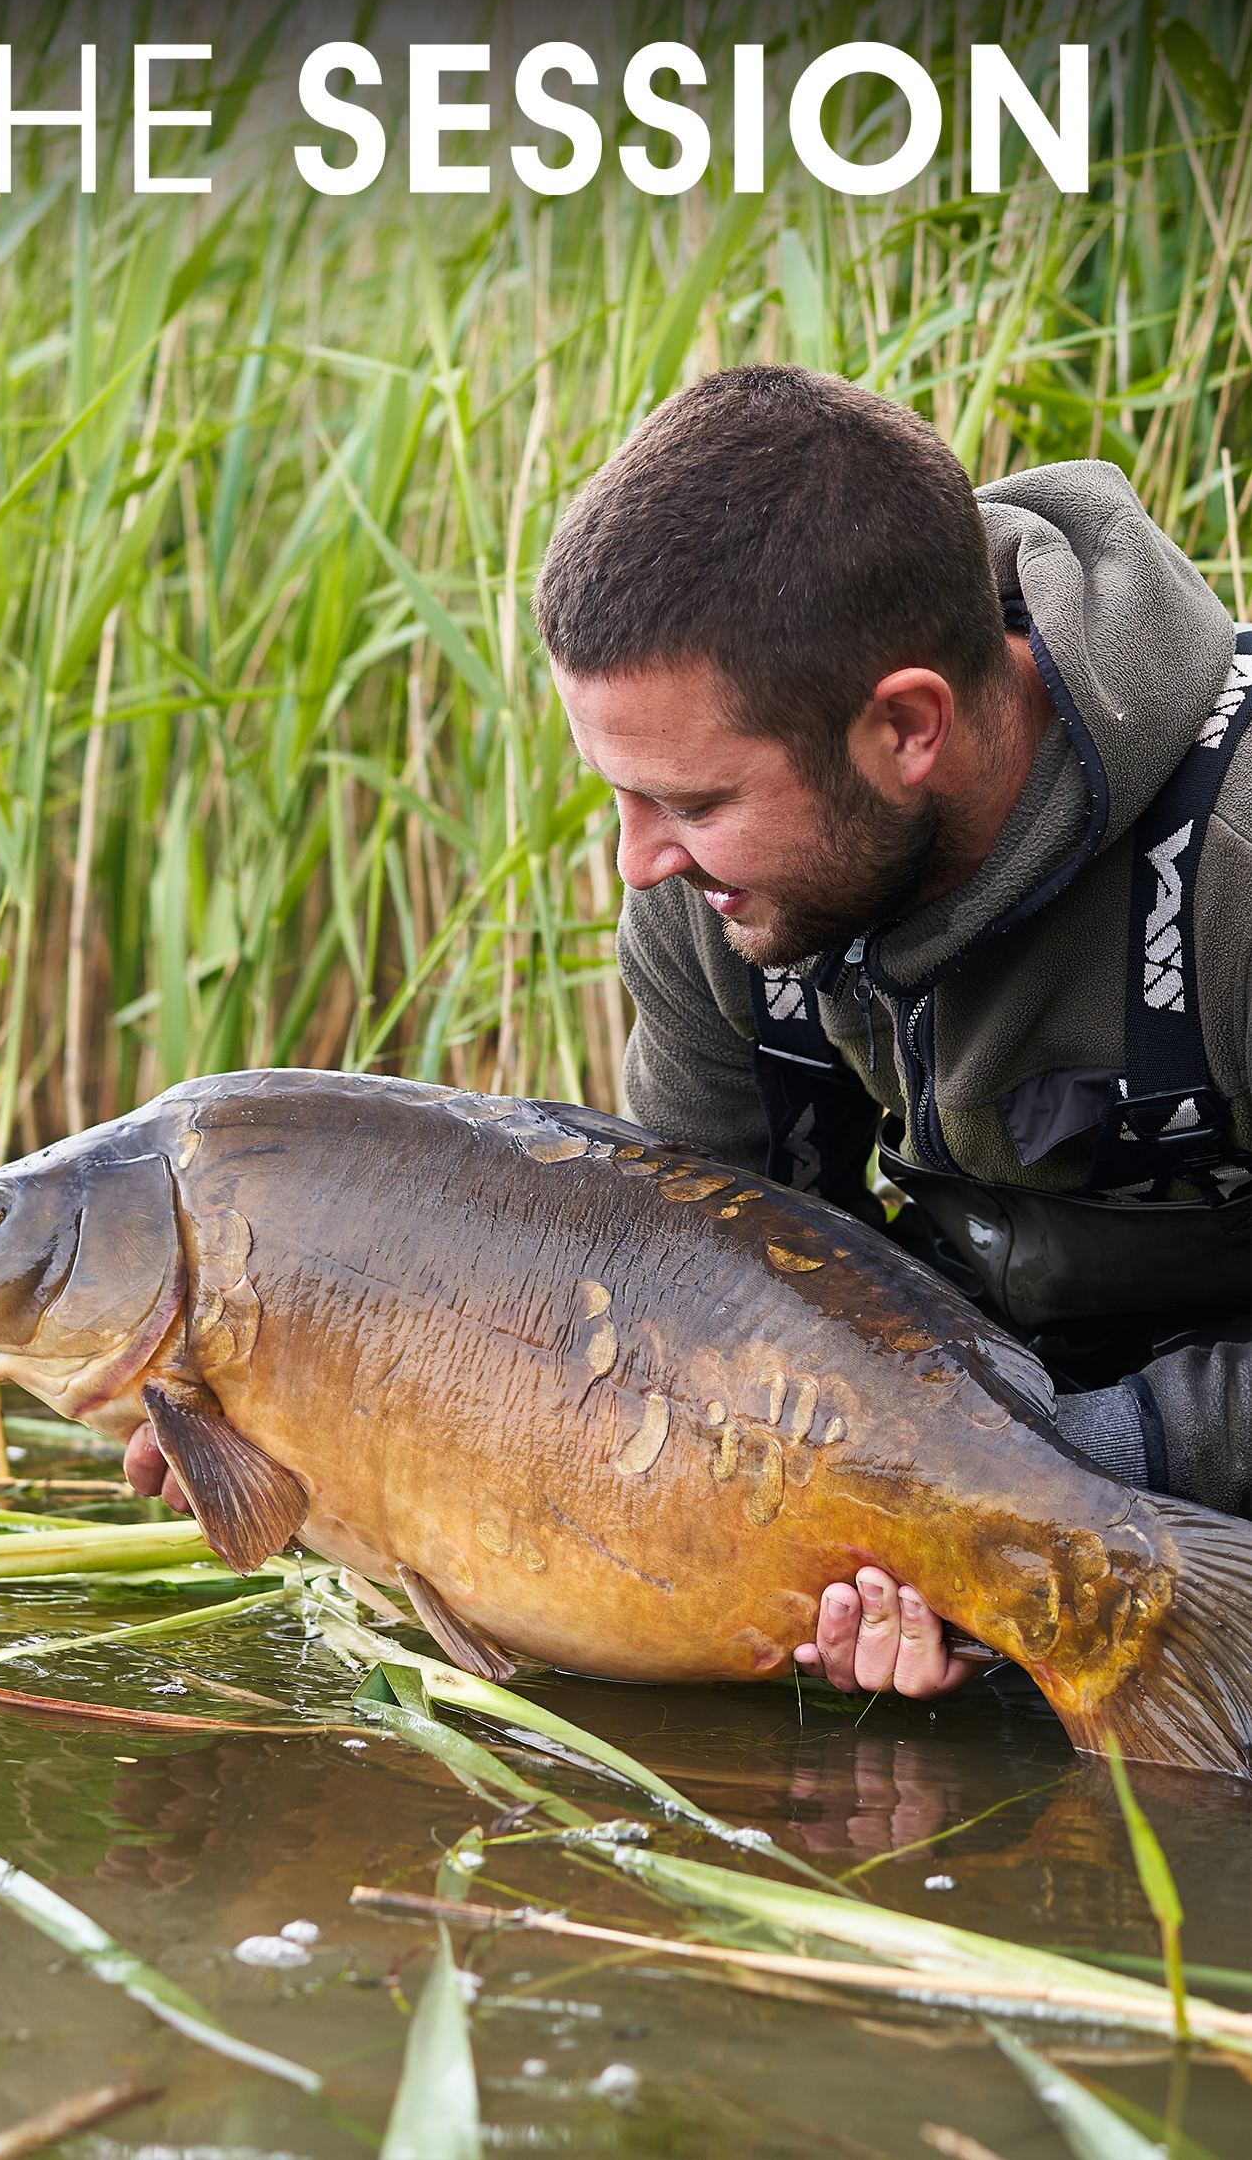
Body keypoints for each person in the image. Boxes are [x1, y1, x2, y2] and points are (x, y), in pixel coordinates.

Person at [533, 364, 1251, 1701]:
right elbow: (685, 1320)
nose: (639, 862)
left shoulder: (1237, 867)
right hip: (987, 1480)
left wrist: (1056, 1473)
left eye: (693, 801)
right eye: (620, 795)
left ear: (906, 726)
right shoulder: (710, 907)